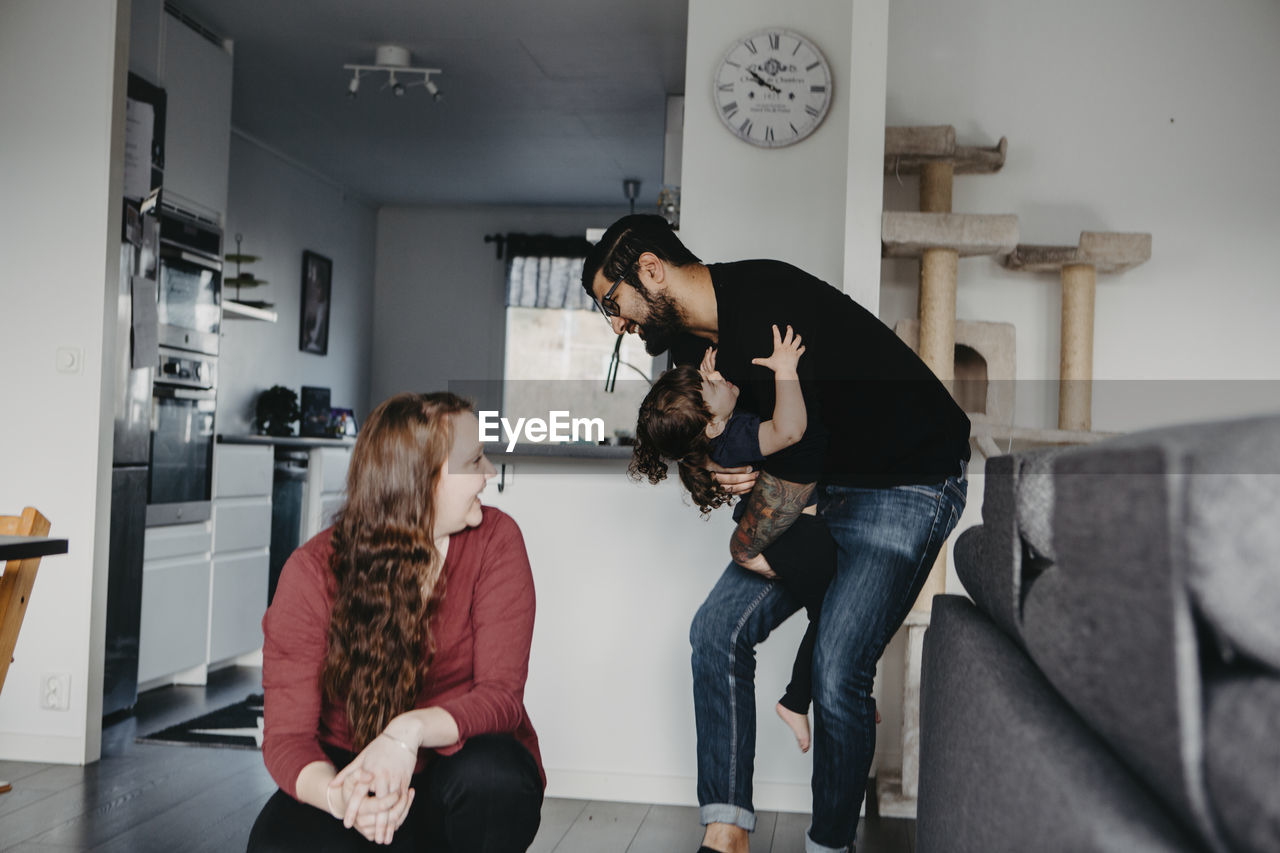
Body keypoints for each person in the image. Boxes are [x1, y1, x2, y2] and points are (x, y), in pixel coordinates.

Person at [581, 215, 970, 853]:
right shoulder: (687, 350)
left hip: (907, 480)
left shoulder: (766, 303)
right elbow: (709, 446)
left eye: (612, 304)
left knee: (840, 668)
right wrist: (727, 469)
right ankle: (726, 828)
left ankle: (828, 846)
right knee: (715, 631)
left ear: (650, 270)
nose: (617, 323)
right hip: (820, 492)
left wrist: (746, 538)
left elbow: (793, 457)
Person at [247, 391, 544, 852]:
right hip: (355, 774)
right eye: (475, 460)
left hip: (457, 770)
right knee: (277, 843)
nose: (489, 473)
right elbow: (287, 738)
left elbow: (502, 698)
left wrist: (406, 732)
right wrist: (341, 797)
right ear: (420, 482)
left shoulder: (496, 541)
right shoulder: (310, 573)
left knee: (494, 777)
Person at [631, 325, 836, 753]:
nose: (718, 376)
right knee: (833, 615)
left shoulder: (718, 430)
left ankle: (825, 695)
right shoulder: (734, 437)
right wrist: (785, 369)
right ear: (710, 426)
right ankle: (797, 702)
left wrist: (711, 381)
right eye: (710, 385)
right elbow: (790, 429)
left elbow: (716, 407)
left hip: (787, 537)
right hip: (794, 536)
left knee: (833, 614)